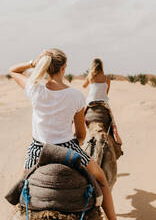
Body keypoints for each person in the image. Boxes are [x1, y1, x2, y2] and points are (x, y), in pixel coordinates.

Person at [9, 49, 117, 220]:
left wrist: (33, 63)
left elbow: (13, 70)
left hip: (38, 150)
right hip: (68, 149)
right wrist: (78, 141)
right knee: (102, 179)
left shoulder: (34, 89)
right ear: (63, 68)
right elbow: (81, 133)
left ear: (46, 66)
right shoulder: (75, 96)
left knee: (20, 186)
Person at [83, 58, 122, 145]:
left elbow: (83, 86)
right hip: (103, 103)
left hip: (90, 103)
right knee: (112, 122)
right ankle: (116, 139)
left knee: (79, 118)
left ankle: (77, 136)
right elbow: (106, 93)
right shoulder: (107, 78)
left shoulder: (90, 77)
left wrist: (90, 78)